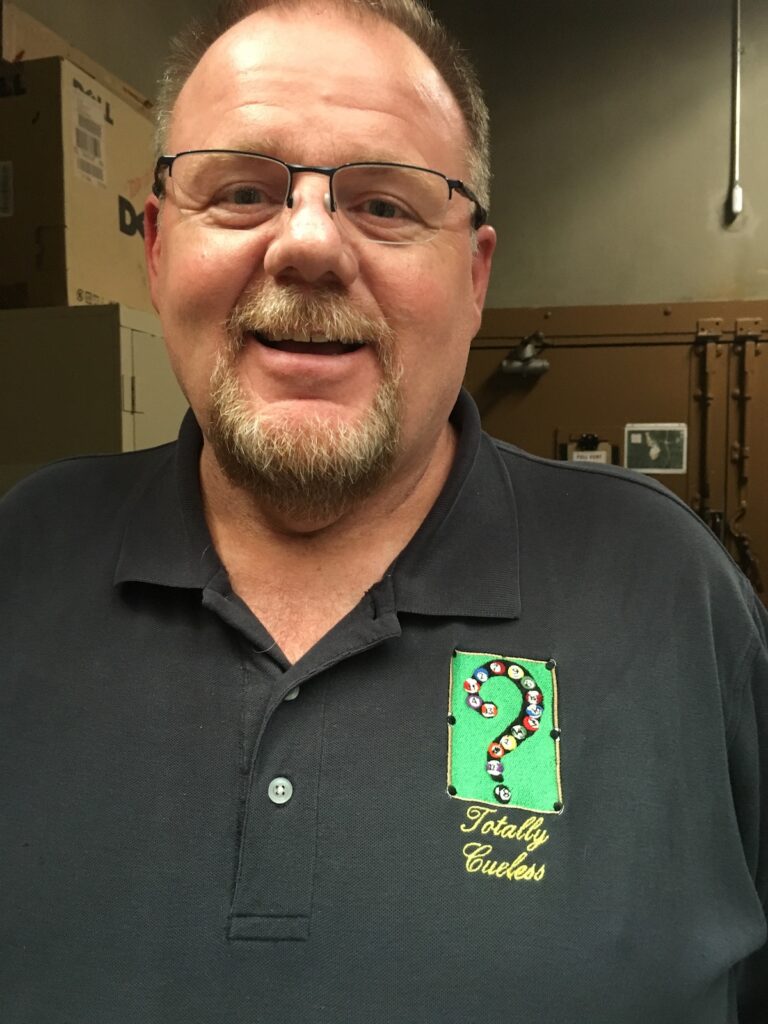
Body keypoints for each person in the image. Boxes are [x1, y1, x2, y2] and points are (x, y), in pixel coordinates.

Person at [1, 1, 766, 1021]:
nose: (308, 245)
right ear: (155, 248)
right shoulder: (24, 560)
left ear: (476, 272)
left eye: (386, 204)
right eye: (239, 191)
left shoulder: (669, 593)